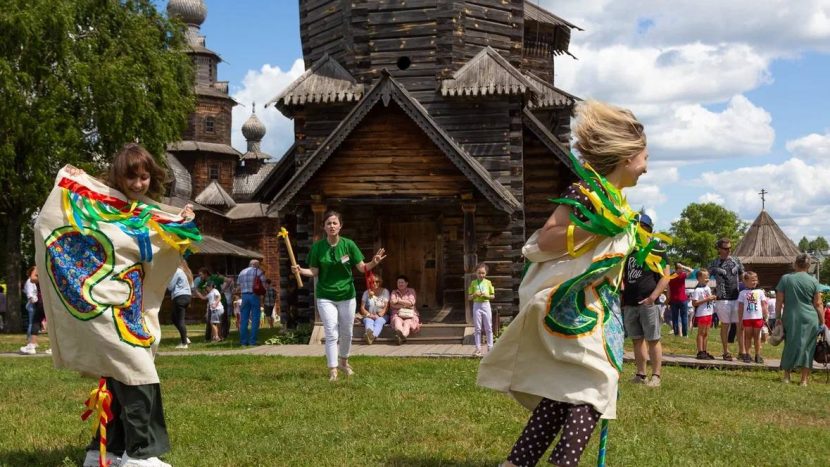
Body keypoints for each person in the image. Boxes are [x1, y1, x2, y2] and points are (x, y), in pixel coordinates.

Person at [478, 100, 658, 467]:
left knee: (565, 392)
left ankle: (517, 463)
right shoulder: (586, 194)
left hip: (599, 311)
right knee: (595, 386)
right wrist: (593, 226)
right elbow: (544, 241)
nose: (646, 167)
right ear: (626, 158)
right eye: (644, 157)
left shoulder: (621, 204)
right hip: (573, 306)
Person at [37, 143, 198, 467]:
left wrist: (181, 222)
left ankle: (104, 451)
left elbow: (167, 242)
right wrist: (74, 181)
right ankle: (142, 454)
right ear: (117, 175)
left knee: (117, 376)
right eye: (131, 177)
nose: (138, 184)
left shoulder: (144, 213)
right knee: (138, 372)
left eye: (144, 177)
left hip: (127, 306)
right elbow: (52, 220)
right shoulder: (97, 208)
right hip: (105, 305)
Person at [292, 211, 386, 381]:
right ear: (324, 227)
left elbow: (362, 267)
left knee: (347, 332)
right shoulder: (317, 247)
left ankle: (344, 361)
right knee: (331, 332)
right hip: (325, 295)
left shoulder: (348, 245)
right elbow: (314, 271)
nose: (332, 226)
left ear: (340, 226)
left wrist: (374, 262)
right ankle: (333, 369)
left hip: (347, 295)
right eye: (328, 223)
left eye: (335, 223)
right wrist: (300, 270)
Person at [622, 215, 670, 387]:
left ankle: (656, 376)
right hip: (630, 301)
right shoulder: (629, 248)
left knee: (653, 339)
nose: (639, 229)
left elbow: (665, 276)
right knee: (636, 339)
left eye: (643, 226)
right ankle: (640, 374)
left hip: (649, 300)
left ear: (650, 228)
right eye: (636, 226)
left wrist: (653, 297)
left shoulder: (656, 248)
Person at [776, 253, 825, 386]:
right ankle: (803, 380)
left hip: (791, 316)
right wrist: (822, 322)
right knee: (809, 347)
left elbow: (779, 301)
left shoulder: (785, 279)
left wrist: (778, 318)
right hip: (810, 317)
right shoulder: (814, 281)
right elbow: (818, 304)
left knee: (790, 344)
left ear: (795, 264)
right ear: (809, 266)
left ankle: (787, 376)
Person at [709, 238, 745, 361]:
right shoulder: (714, 263)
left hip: (736, 297)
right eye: (725, 248)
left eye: (730, 248)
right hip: (722, 298)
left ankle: (742, 351)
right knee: (725, 325)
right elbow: (705, 277)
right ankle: (726, 351)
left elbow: (743, 276)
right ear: (719, 249)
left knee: (740, 325)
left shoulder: (736, 261)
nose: (728, 250)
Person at [737, 271, 768, 364]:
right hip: (747, 318)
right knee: (748, 337)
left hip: (758, 318)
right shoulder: (742, 293)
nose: (754, 282)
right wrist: (740, 319)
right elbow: (741, 307)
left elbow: (763, 305)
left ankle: (757, 355)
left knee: (757, 337)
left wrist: (765, 315)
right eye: (752, 280)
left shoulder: (760, 292)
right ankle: (747, 354)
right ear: (745, 282)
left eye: (756, 280)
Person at [236, 260, 266, 346]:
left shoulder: (242, 272)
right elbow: (263, 284)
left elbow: (238, 286)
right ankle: (252, 341)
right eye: (258, 265)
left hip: (244, 296)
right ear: (256, 265)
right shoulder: (258, 271)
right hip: (254, 295)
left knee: (244, 319)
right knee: (255, 318)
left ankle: (243, 342)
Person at [19, 266, 49, 355]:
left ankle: (31, 345)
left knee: (35, 321)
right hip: (51, 301)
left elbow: (32, 279)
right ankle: (54, 348)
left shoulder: (39, 267)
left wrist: (37, 270)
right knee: (52, 324)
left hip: (43, 300)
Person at [468, 262, 495, 357]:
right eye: (479, 273)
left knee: (488, 327)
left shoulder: (488, 283)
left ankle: (490, 348)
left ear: (486, 273)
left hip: (486, 305)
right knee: (478, 328)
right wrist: (475, 295)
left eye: (483, 273)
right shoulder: (473, 283)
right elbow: (469, 297)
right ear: (476, 273)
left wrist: (486, 295)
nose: (481, 275)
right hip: (477, 305)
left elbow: (492, 296)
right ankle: (478, 349)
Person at [192, 267, 227, 341]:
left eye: (201, 274)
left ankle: (217, 337)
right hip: (212, 307)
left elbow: (229, 281)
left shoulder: (214, 284)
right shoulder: (204, 284)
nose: (200, 276)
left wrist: (222, 291)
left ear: (205, 273)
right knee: (213, 322)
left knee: (214, 323)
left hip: (217, 308)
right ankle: (215, 337)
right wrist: (197, 293)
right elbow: (203, 297)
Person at [166, 261, 192, 349]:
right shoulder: (185, 272)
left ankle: (184, 343)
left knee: (180, 320)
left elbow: (170, 286)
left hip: (179, 297)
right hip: (186, 296)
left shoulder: (177, 271)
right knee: (174, 317)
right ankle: (185, 338)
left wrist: (167, 280)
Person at [691, 269, 716, 359]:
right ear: (699, 278)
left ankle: (705, 351)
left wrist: (713, 298)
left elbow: (709, 298)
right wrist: (707, 299)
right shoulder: (697, 290)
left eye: (708, 277)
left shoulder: (708, 288)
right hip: (702, 313)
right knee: (701, 333)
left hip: (709, 312)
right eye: (705, 277)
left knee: (706, 333)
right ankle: (700, 351)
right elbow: (694, 303)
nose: (707, 278)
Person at [390, 275, 420, 345]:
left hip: (410, 315)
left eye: (402, 282)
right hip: (397, 314)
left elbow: (411, 303)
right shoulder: (394, 292)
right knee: (397, 321)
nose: (400, 284)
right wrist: (405, 304)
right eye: (398, 283)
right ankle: (401, 337)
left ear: (406, 283)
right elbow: (392, 304)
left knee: (407, 323)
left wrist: (398, 300)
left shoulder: (411, 291)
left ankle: (400, 337)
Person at [359, 276, 389, 344]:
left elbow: (386, 307)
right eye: (372, 282)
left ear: (380, 282)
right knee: (368, 321)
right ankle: (370, 337)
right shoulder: (366, 292)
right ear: (369, 283)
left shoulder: (385, 291)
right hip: (369, 314)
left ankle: (371, 336)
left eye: (377, 281)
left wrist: (379, 315)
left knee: (379, 321)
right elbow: (362, 307)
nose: (375, 283)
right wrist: (369, 315)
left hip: (382, 315)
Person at [668, 262, 694, 337]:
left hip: (673, 300)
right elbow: (692, 271)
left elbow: (668, 289)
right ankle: (685, 334)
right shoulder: (682, 275)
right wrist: (684, 266)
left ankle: (676, 334)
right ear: (678, 268)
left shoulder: (670, 276)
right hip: (683, 300)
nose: (683, 270)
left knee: (675, 318)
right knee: (684, 317)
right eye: (681, 268)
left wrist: (668, 300)